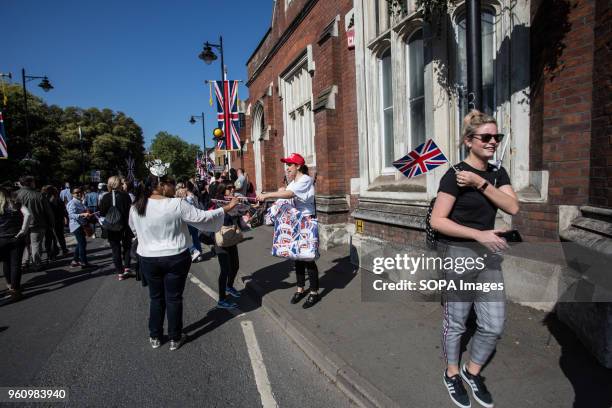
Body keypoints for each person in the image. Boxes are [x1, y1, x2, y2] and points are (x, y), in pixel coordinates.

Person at [430, 110, 519, 408]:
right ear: (470, 141)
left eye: (497, 136)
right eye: (486, 137)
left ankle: (472, 371)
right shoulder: (454, 174)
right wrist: (478, 234)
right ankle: (452, 372)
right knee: (456, 322)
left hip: (488, 258)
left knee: (493, 324)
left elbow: (513, 207)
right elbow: (438, 220)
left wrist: (481, 184)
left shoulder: (496, 173)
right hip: (459, 254)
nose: (493, 141)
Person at [129, 176, 239, 350]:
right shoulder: (176, 204)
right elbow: (202, 217)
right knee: (173, 298)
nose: (175, 187)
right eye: (172, 184)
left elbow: (134, 229)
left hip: (148, 258)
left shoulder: (136, 206)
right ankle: (175, 337)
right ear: (162, 185)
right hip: (175, 256)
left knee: (156, 297)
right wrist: (227, 208)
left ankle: (155, 336)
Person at [256, 153, 320, 308]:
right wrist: (265, 201)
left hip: (307, 222)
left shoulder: (305, 179)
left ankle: (314, 292)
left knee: (308, 259)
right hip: (296, 222)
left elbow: (289, 194)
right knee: (297, 257)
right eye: (286, 165)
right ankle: (300, 289)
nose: (287, 169)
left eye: (289, 165)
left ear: (298, 166)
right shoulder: (294, 181)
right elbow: (284, 196)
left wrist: (267, 194)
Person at [210, 183, 244, 309]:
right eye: (229, 189)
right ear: (223, 191)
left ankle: (229, 286)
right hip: (220, 238)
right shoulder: (217, 203)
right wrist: (232, 206)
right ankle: (221, 299)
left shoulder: (232, 202)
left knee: (235, 266)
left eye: (232, 188)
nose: (232, 190)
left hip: (231, 237)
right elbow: (216, 215)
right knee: (224, 270)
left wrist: (248, 207)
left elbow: (240, 212)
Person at [16, 176, 55, 270]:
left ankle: (24, 262)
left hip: (20, 224)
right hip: (37, 222)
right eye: (34, 182)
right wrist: (52, 223)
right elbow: (48, 211)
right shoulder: (39, 195)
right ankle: (36, 264)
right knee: (36, 244)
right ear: (31, 183)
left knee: (25, 244)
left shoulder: (15, 194)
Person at [100, 176, 133, 280]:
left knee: (115, 249)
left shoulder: (105, 197)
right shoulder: (125, 196)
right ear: (119, 184)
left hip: (111, 227)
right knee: (127, 247)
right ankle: (127, 267)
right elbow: (130, 211)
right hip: (125, 225)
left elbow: (102, 213)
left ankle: (120, 272)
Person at [0, 188, 30, 301]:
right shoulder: (16, 204)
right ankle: (15, 289)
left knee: (6, 262)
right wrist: (23, 230)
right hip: (16, 237)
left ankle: (9, 284)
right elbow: (28, 214)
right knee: (16, 264)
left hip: (1, 238)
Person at [66, 188, 94, 268]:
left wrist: (87, 214)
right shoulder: (72, 203)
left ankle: (75, 261)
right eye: (76, 193)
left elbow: (84, 211)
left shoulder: (79, 202)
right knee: (82, 243)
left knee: (80, 243)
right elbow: (71, 215)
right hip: (76, 225)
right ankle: (83, 262)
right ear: (72, 194)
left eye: (80, 192)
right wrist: (82, 215)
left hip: (81, 224)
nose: (78, 194)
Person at [46, 186, 69, 257]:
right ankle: (64, 250)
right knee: (60, 236)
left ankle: (53, 253)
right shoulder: (58, 200)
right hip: (58, 220)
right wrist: (65, 217)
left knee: (51, 237)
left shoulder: (46, 200)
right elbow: (64, 210)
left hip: (49, 221)